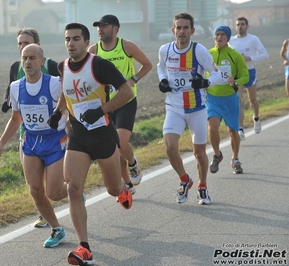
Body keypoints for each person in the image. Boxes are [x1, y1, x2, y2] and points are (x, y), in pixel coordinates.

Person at [47, 22, 134, 265]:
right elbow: (67, 92)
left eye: (76, 39)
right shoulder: (61, 67)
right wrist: (57, 112)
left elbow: (126, 92)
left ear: (87, 43)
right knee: (73, 188)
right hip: (77, 135)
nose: (71, 44)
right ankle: (84, 247)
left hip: (103, 134)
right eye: (67, 39)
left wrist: (101, 111)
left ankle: (122, 190)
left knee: (112, 189)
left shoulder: (100, 65)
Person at [0, 44, 68, 248]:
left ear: (42, 61)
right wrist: (0, 143)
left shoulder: (54, 84)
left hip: (54, 140)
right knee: (35, 190)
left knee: (54, 192)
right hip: (31, 141)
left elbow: (69, 106)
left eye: (33, 58)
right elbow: (16, 119)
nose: (28, 62)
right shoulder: (16, 87)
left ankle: (74, 189)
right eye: (25, 58)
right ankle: (56, 229)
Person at [157, 12, 221, 205]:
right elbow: (160, 67)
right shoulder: (165, 50)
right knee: (170, 148)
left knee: (199, 153)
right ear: (173, 30)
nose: (182, 31)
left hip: (197, 108)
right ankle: (185, 179)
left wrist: (205, 82)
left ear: (192, 31)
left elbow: (217, 74)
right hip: (174, 107)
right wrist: (162, 81)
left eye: (186, 28)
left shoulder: (199, 51)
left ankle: (202, 186)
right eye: (179, 27)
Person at [1, 28, 60, 228]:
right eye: (20, 44)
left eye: (27, 43)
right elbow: (12, 93)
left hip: (53, 135)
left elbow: (64, 97)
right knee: (34, 185)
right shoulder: (15, 68)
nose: (22, 48)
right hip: (26, 134)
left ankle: (72, 192)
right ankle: (48, 218)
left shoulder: (51, 67)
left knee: (53, 187)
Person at [88, 14, 153, 195]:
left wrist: (132, 80)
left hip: (126, 102)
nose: (100, 30)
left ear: (115, 29)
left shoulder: (127, 46)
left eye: (104, 26)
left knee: (120, 144)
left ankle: (133, 163)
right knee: (114, 148)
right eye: (98, 27)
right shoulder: (94, 50)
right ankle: (127, 184)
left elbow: (147, 65)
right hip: (106, 106)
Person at [207, 26, 249, 175]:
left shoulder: (235, 55)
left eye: (222, 34)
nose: (219, 37)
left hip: (230, 99)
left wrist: (235, 82)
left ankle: (235, 159)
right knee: (212, 126)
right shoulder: (208, 54)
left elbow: (246, 76)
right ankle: (217, 155)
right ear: (214, 37)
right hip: (212, 98)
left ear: (228, 37)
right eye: (217, 34)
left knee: (233, 130)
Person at [229, 17, 269, 140]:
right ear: (235, 27)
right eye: (238, 24)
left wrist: (249, 58)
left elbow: (265, 55)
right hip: (238, 74)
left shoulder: (253, 39)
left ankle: (256, 117)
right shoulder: (231, 40)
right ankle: (240, 128)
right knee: (238, 101)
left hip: (250, 71)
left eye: (242, 24)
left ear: (247, 26)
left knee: (252, 100)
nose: (240, 26)